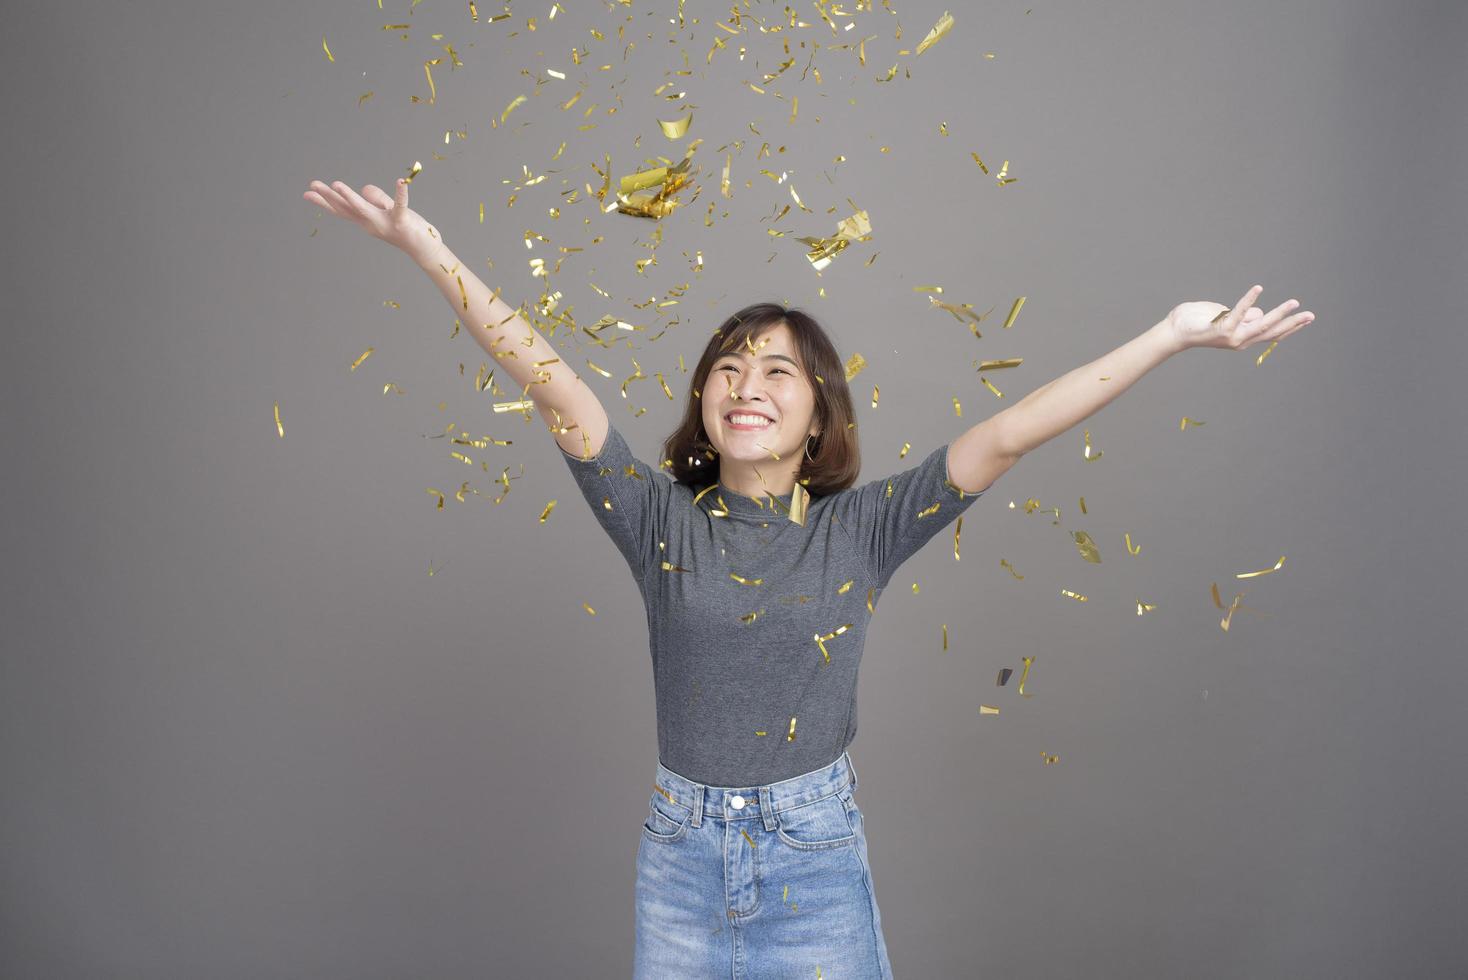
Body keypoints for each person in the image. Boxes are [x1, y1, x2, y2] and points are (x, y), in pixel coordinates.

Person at [302, 177, 1317, 977]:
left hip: (814, 858)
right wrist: (422, 243)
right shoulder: (656, 517)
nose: (748, 384)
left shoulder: (864, 530)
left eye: (777, 369)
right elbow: (545, 374)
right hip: (681, 861)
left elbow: (1009, 432)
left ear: (819, 411)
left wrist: (1174, 335)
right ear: (703, 396)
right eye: (729, 366)